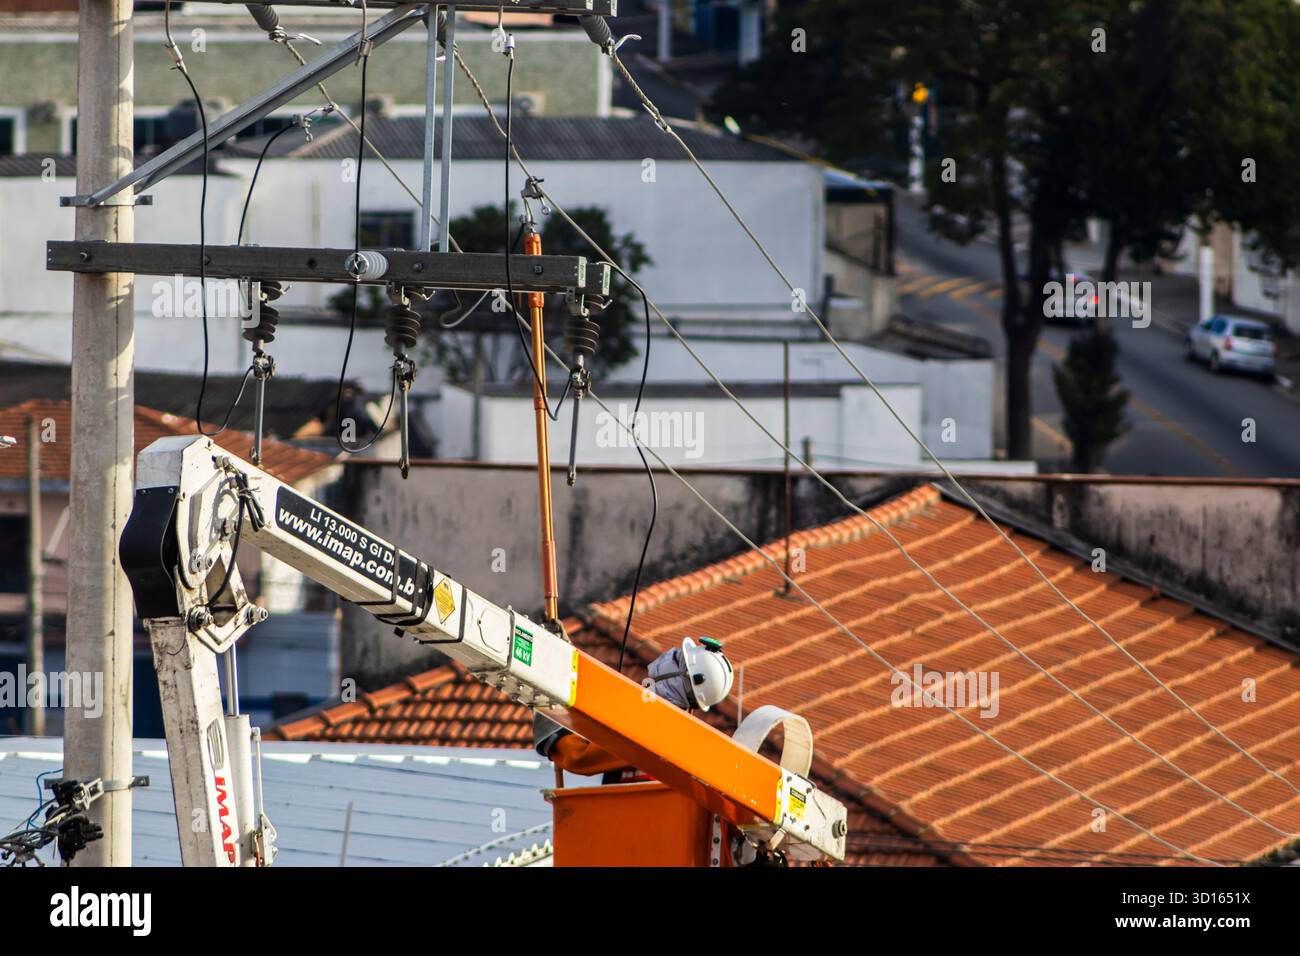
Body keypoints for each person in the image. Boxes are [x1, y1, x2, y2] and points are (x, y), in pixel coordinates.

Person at [534, 637, 734, 783]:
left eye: (678, 657)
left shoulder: (654, 729)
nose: (670, 654)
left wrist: (549, 718)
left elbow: (580, 757)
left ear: (683, 678)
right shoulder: (679, 730)